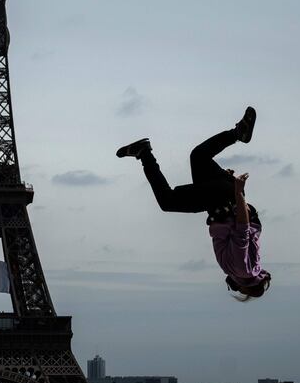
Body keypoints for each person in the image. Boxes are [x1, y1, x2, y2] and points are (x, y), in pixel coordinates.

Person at [116, 106, 272, 300]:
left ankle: (237, 133)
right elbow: (242, 230)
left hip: (224, 196)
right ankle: (144, 152)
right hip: (222, 201)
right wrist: (238, 192)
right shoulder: (242, 270)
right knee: (167, 201)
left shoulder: (253, 268)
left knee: (198, 156)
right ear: (243, 288)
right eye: (237, 290)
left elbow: (250, 229)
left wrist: (231, 188)